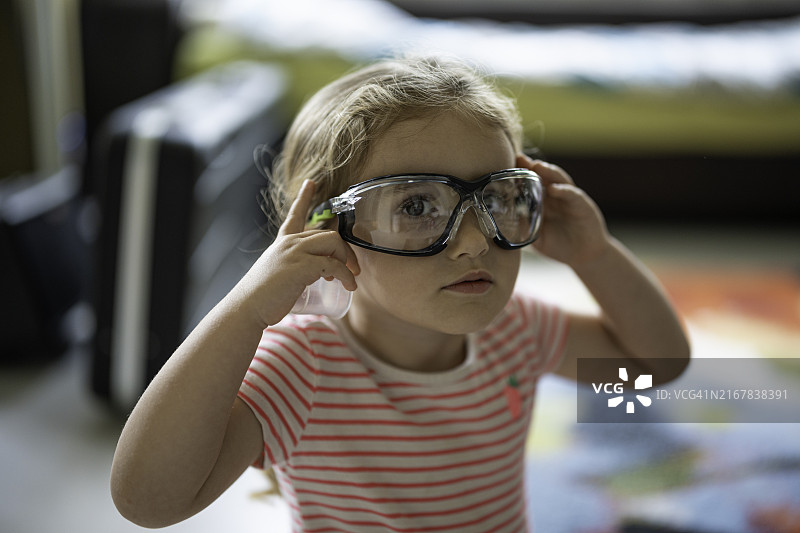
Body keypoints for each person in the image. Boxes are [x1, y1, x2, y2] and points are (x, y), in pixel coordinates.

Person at [110, 56, 690, 532]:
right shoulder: (301, 367)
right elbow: (149, 500)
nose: (473, 241)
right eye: (416, 205)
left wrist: (595, 255)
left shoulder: (519, 328)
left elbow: (655, 364)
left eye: (495, 199)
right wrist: (246, 309)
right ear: (326, 233)